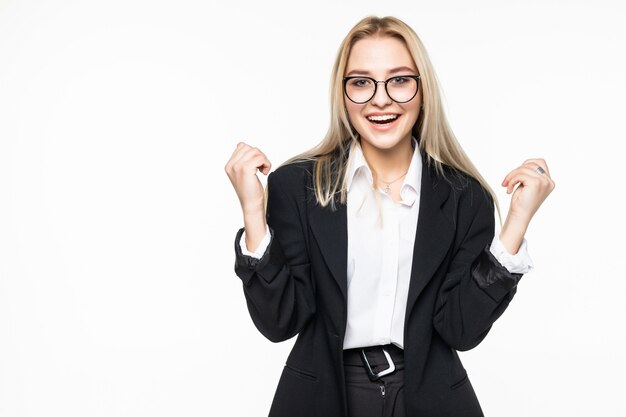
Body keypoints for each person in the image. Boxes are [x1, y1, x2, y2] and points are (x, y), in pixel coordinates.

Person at [224, 15, 554, 417]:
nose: (380, 99)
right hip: (323, 396)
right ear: (343, 95)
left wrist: (515, 224)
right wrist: (254, 213)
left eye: (399, 80)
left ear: (422, 90)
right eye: (361, 82)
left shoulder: (465, 197)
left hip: (430, 399)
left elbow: (461, 331)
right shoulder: (298, 187)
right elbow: (279, 322)